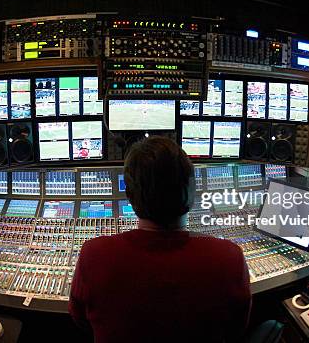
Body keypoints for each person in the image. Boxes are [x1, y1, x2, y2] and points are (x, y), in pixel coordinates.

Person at [69, 136, 251, 342]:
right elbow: (237, 328)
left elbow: (81, 320)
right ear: (193, 191)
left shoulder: (94, 255)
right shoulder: (229, 257)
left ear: (129, 195)